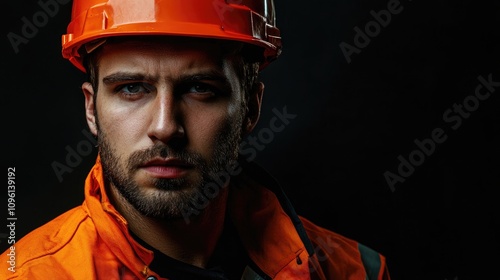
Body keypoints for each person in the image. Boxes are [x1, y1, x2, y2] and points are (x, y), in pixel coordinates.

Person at [1, 1, 391, 279]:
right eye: (133, 88)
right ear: (92, 109)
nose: (166, 126)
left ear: (250, 108)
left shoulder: (353, 271)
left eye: (200, 89)